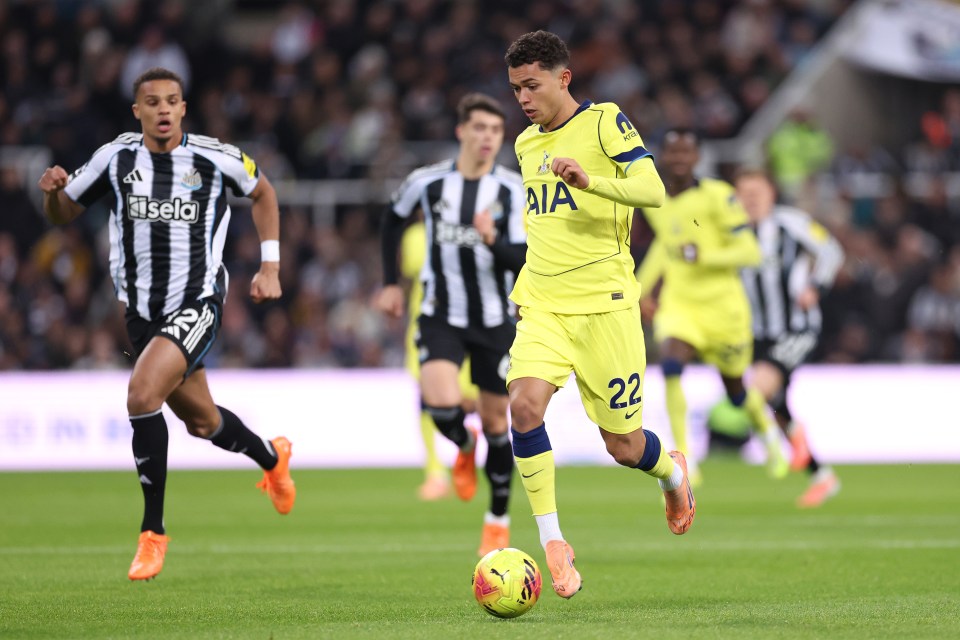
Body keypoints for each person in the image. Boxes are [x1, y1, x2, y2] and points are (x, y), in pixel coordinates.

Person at [37, 67, 295, 581]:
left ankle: (152, 534)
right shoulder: (114, 158)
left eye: (171, 101)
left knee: (141, 395)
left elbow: (264, 192)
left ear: (182, 109)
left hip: (198, 302)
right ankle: (272, 458)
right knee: (202, 423)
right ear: (137, 110)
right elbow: (62, 213)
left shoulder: (214, 157)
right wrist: (51, 192)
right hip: (141, 314)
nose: (162, 110)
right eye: (152, 102)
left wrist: (270, 266)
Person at [504, 30, 695, 601]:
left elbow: (653, 190)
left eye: (532, 85)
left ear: (563, 78)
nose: (523, 98)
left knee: (625, 447)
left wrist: (591, 182)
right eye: (515, 89)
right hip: (544, 305)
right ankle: (553, 542)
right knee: (523, 406)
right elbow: (545, 223)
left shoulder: (605, 121)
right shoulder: (524, 145)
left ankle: (672, 474)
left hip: (606, 306)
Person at [375, 92, 527, 556]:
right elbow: (391, 220)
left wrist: (492, 240)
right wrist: (390, 283)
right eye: (479, 127)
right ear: (462, 131)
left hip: (494, 319)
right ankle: (463, 445)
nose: (487, 137)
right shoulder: (428, 182)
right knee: (439, 404)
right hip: (440, 312)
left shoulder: (512, 190)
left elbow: (524, 259)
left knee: (498, 423)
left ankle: (497, 520)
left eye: (496, 130)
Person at [636, 129, 789, 486]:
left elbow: (749, 251)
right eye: (672, 152)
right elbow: (666, 244)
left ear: (697, 158)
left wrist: (704, 256)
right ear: (662, 156)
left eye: (685, 152)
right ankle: (686, 457)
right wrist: (640, 289)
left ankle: (768, 435)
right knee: (671, 366)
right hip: (681, 305)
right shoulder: (655, 199)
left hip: (723, 309)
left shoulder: (719, 196)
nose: (678, 159)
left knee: (737, 393)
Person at [734, 168, 844, 507]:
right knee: (775, 404)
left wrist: (817, 286)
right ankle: (822, 476)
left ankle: (782, 450)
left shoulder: (791, 223)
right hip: (757, 333)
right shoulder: (732, 230)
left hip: (797, 327)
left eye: (757, 192)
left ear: (771, 193)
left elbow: (831, 251)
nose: (751, 199)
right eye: (745, 193)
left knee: (758, 391)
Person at [398, 217, 481, 501]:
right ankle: (435, 472)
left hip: (469, 324)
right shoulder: (416, 235)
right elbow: (414, 272)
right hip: (428, 325)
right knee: (427, 398)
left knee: (469, 403)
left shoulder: (472, 228)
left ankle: (467, 452)